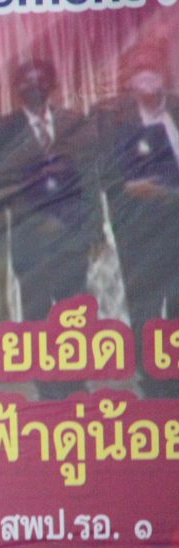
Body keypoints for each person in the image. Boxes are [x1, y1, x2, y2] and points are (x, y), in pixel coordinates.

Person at [0, 60, 103, 398]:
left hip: (72, 236)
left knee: (73, 312)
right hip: (30, 240)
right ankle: (45, 384)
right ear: (16, 88)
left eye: (40, 79)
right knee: (36, 314)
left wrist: (94, 230)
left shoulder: (73, 122)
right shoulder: (2, 130)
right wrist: (40, 220)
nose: (34, 86)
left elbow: (90, 180)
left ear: (52, 84)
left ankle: (77, 379)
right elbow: (1, 183)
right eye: (26, 81)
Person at [99, 41, 179, 397]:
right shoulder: (115, 122)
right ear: (129, 80)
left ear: (165, 74)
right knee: (145, 307)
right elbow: (108, 180)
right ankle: (152, 381)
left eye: (152, 68)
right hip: (140, 233)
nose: (147, 76)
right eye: (138, 69)